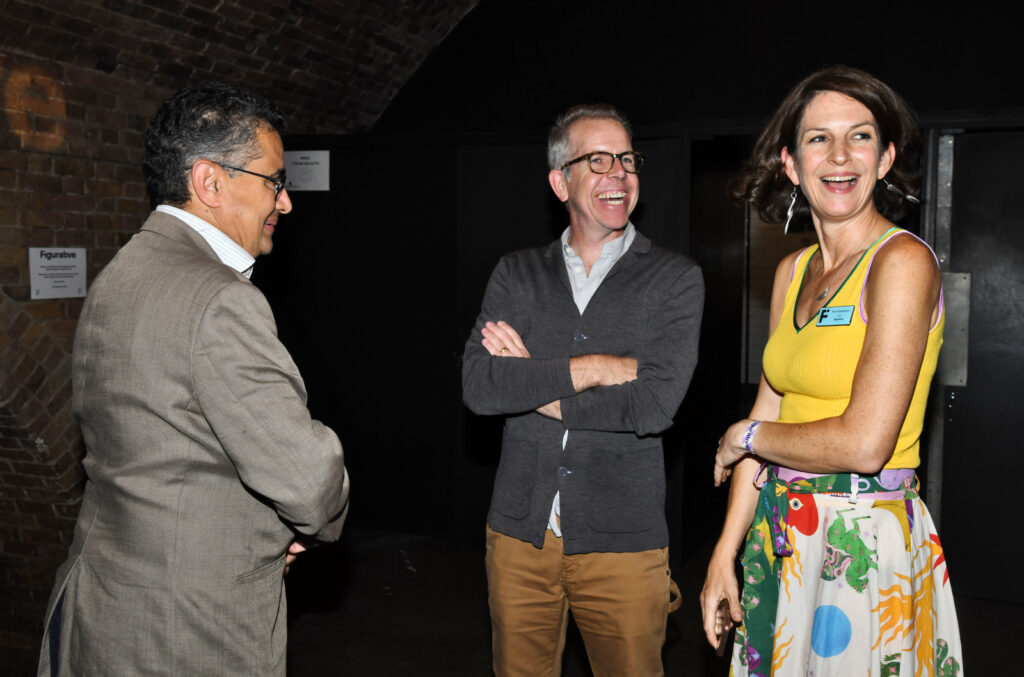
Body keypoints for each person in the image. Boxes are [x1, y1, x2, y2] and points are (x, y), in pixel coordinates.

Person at [37, 82, 350, 676]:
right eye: (273, 182)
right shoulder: (219, 299)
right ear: (210, 181)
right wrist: (314, 518)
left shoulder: (120, 273)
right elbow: (308, 481)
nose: (284, 204)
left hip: (105, 607)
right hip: (187, 631)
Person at [699, 66, 963, 676]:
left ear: (886, 156)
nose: (840, 156)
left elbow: (866, 443)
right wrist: (724, 554)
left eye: (861, 136)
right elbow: (772, 408)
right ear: (791, 163)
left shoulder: (900, 262)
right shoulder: (792, 271)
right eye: (818, 138)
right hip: (784, 533)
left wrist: (745, 437)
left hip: (860, 540)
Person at [462, 103, 704, 676]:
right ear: (559, 181)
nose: (618, 173)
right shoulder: (515, 273)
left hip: (623, 539)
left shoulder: (675, 279)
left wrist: (529, 376)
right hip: (520, 535)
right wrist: (596, 366)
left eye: (626, 159)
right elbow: (479, 386)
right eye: (597, 160)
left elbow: (652, 405)